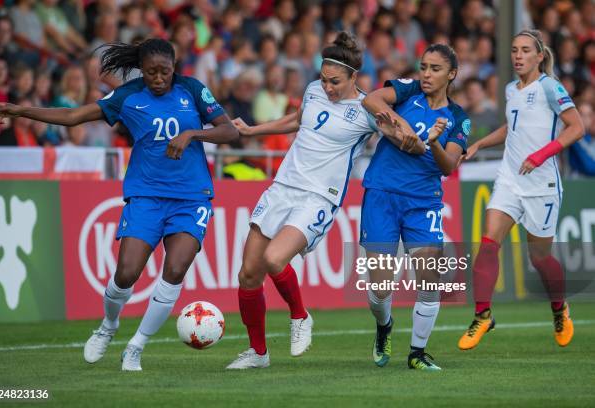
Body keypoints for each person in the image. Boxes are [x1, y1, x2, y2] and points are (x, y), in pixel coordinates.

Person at [0, 38, 238, 371]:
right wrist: (20, 109)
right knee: (126, 273)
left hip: (191, 197)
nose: (159, 79)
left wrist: (192, 135)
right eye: (151, 73)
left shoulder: (192, 89)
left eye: (164, 71)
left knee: (175, 269)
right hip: (146, 195)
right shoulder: (128, 96)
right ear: (142, 72)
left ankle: (135, 347)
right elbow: (74, 115)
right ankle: (108, 327)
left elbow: (229, 131)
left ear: (174, 67)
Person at [226, 32, 422, 370]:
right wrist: (250, 131)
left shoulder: (365, 111)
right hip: (283, 186)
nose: (327, 87)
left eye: (335, 82)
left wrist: (416, 140)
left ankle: (300, 316)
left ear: (353, 78)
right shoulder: (314, 90)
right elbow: (297, 120)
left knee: (274, 259)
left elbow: (399, 136)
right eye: (323, 79)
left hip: (318, 197)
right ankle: (258, 353)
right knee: (248, 274)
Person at [457, 29, 585, 350]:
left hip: (542, 183)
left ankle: (559, 309)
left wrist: (541, 154)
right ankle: (483, 315)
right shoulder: (511, 88)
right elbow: (511, 128)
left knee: (540, 258)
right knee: (488, 244)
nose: (517, 56)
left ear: (539, 56)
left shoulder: (550, 87)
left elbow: (577, 127)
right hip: (510, 178)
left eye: (525, 50)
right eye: (514, 50)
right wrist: (479, 144)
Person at [361, 44, 470, 371]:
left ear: (451, 74)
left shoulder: (458, 118)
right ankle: (384, 325)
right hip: (382, 193)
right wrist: (401, 127)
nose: (426, 74)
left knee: (429, 277)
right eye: (424, 66)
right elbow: (371, 99)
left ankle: (417, 353)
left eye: (435, 69)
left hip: (423, 202)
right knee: (380, 288)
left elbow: (449, 165)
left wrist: (432, 143)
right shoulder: (407, 91)